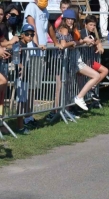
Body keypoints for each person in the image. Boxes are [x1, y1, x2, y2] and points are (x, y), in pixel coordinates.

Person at [22, 0, 62, 128]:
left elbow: (49, 26)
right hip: (32, 51)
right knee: (29, 86)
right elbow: (31, 25)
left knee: (34, 86)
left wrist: (55, 42)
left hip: (40, 53)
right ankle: (25, 116)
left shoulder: (45, 10)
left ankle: (29, 115)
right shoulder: (31, 7)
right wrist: (37, 43)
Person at [56, 9, 100, 111]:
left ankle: (70, 106)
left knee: (67, 87)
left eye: (72, 19)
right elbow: (63, 45)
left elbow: (75, 42)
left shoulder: (70, 29)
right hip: (72, 60)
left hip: (73, 59)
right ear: (64, 19)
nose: (70, 21)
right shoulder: (64, 29)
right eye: (68, 19)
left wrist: (83, 41)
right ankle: (79, 98)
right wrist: (73, 43)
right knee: (96, 76)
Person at [80, 15, 109, 101]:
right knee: (83, 80)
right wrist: (96, 44)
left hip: (90, 61)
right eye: (90, 25)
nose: (92, 27)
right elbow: (90, 41)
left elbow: (97, 40)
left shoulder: (91, 34)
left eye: (94, 25)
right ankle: (84, 94)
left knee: (105, 70)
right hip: (83, 62)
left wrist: (99, 45)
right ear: (85, 25)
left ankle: (92, 88)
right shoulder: (83, 32)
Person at [15, 24, 36, 135]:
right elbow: (15, 59)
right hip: (19, 77)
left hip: (25, 76)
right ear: (22, 34)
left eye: (32, 34)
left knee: (23, 101)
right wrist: (20, 66)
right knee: (21, 101)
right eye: (27, 34)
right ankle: (19, 126)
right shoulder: (18, 45)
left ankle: (21, 124)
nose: (30, 36)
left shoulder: (26, 45)